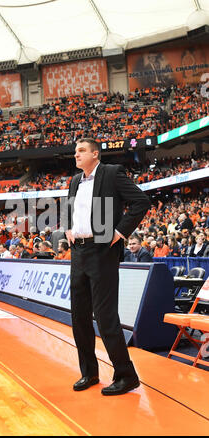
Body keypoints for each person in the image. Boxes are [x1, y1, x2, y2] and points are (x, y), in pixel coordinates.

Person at [64, 138, 150, 396]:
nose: (76, 155)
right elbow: (71, 209)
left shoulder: (112, 173)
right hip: (78, 252)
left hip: (102, 251)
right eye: (75, 151)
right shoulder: (74, 181)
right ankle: (89, 372)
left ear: (95, 154)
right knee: (79, 317)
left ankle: (127, 375)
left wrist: (120, 232)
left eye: (81, 151)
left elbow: (141, 202)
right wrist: (68, 227)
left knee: (105, 317)